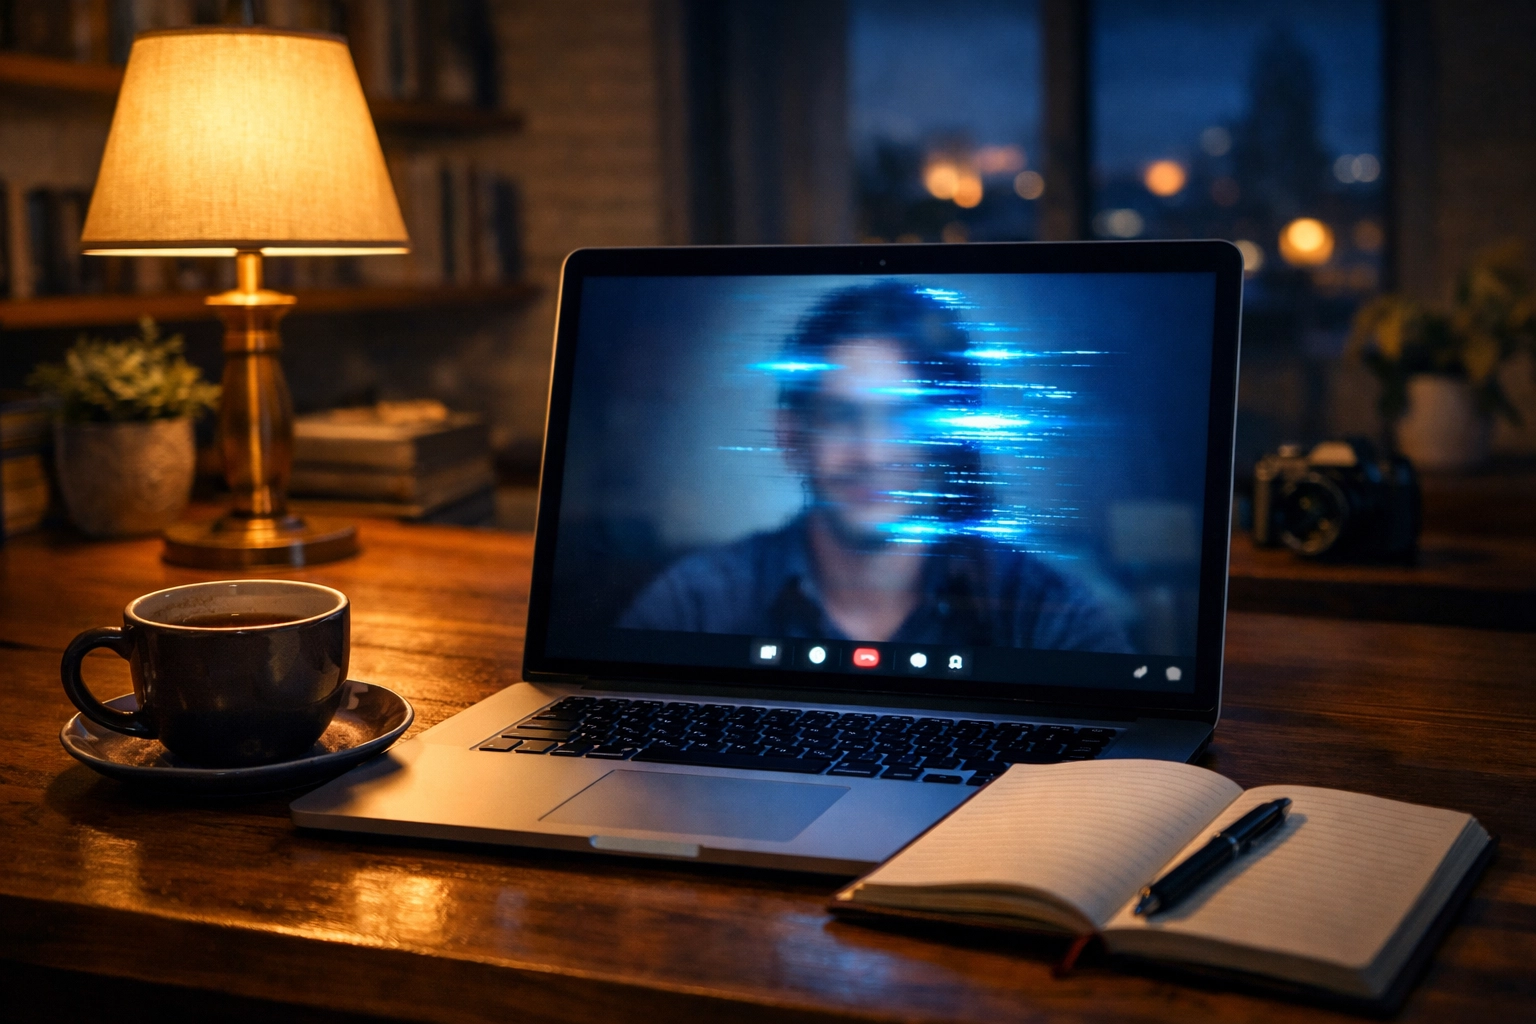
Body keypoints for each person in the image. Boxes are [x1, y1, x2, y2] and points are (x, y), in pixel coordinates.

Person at [619, 282, 1131, 653]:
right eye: (841, 417)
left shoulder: (1050, 614)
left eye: (905, 420)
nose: (873, 454)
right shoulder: (695, 602)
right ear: (790, 436)